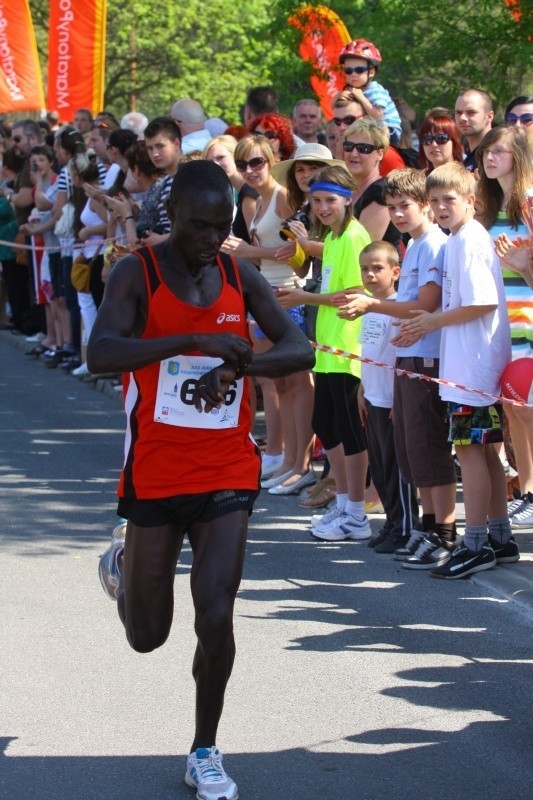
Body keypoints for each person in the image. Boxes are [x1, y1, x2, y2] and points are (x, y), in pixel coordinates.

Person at [88, 159, 314, 800]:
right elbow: (99, 353)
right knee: (146, 636)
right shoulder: (139, 272)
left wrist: (240, 367)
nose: (211, 239)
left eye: (222, 227)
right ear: (172, 220)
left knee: (216, 613)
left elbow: (299, 348)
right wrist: (191, 342)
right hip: (156, 471)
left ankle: (205, 749)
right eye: (198, 227)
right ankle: (126, 557)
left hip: (225, 471)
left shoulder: (238, 276)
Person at [334, 167, 458, 568]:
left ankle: (444, 531)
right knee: (408, 450)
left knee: (428, 447)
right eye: (391, 208)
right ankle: (425, 526)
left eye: (405, 206)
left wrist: (373, 304)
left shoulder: (435, 243)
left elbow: (425, 303)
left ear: (424, 204)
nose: (398, 214)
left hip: (427, 358)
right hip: (406, 358)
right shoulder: (413, 243)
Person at [401, 162, 518, 579]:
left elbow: (482, 302)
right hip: (471, 367)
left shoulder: (467, 240)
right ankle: (499, 538)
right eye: (434, 201)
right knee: (484, 452)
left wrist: (433, 321)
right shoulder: (459, 239)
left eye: (449, 199)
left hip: (471, 368)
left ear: (470, 200)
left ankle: (476, 542)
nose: (440, 207)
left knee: (471, 453)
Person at [277, 165, 372, 541]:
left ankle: (356, 513)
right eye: (316, 200)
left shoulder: (353, 237)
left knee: (349, 431)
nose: (322, 207)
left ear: (348, 199)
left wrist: (302, 297)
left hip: (349, 347)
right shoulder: (334, 236)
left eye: (330, 200)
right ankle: (347, 503)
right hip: (330, 348)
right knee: (326, 423)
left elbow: (352, 296)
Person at [221, 135, 313, 493]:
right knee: (277, 383)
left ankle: (298, 463)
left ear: (272, 160)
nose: (250, 171)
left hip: (289, 295)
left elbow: (297, 252)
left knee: (295, 382)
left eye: (257, 162)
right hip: (267, 296)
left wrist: (245, 252)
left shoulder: (283, 197)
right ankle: (287, 459)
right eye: (243, 165)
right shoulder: (256, 200)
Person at [476, 126, 533, 527]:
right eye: (485, 152)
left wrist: (522, 267)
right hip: (499, 325)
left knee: (527, 411)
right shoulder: (486, 207)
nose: (490, 159)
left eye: (499, 151)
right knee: (513, 410)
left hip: (528, 321)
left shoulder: (530, 203)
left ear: (518, 156)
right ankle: (527, 490)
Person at [353, 240, 419, 553]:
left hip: (392, 401)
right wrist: (363, 389)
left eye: (377, 268)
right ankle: (392, 523)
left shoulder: (396, 308)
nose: (369, 274)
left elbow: (398, 359)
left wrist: (397, 399)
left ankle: (406, 526)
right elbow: (370, 354)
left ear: (395, 272)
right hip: (374, 398)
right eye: (365, 268)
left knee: (396, 467)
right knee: (378, 466)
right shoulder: (368, 308)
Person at [342, 117, 403, 255]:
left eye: (363, 149)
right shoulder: (346, 190)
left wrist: (310, 247)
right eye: (349, 146)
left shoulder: (381, 193)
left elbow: (362, 249)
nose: (353, 154)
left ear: (380, 154)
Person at [338, 39, 402, 143]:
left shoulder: (375, 90)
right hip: (371, 128)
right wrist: (339, 95)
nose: (353, 74)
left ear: (371, 72)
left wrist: (361, 97)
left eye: (359, 70)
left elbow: (378, 115)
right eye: (348, 71)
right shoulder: (353, 90)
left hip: (389, 130)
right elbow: (333, 107)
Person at [202, 134, 258, 243]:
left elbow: (257, 246)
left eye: (220, 158)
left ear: (236, 156)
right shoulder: (236, 192)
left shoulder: (249, 192)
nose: (216, 165)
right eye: (210, 162)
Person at [454, 89, 494, 171]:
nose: (462, 118)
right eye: (458, 112)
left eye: (471, 112)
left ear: (489, 116)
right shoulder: (468, 157)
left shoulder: (497, 155)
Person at [418, 109, 464, 175]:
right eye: (427, 139)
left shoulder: (468, 179)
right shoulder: (420, 181)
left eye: (441, 138)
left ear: (454, 142)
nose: (434, 144)